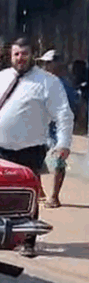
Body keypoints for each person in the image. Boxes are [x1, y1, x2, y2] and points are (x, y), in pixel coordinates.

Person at [0, 37, 74, 257]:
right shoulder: (1, 76)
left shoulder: (48, 82)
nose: (20, 58)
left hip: (29, 151)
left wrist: (64, 143)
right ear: (11, 55)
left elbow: (63, 115)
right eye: (16, 54)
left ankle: (27, 241)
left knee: (27, 198)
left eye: (24, 54)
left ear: (32, 55)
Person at [39, 49, 80, 208]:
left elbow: (75, 107)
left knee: (58, 161)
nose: (45, 66)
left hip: (58, 127)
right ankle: (40, 190)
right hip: (42, 126)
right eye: (44, 63)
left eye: (49, 63)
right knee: (33, 157)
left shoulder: (64, 85)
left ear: (57, 64)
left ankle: (54, 197)